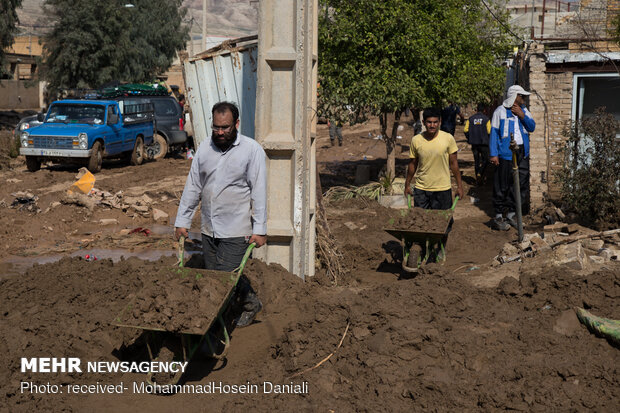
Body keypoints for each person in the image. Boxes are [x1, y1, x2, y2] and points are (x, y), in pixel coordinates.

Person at [174, 101, 267, 327]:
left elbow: (260, 192)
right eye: (216, 127)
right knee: (215, 275)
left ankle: (221, 322)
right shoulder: (205, 148)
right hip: (209, 227)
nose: (220, 132)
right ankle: (249, 302)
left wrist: (260, 230)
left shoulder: (251, 150)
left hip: (236, 228)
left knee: (223, 280)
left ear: (236, 124)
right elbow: (193, 186)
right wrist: (182, 221)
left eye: (225, 127)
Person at [489, 85, 536, 231]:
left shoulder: (525, 111)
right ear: (514, 96)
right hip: (505, 154)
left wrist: (522, 115)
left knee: (519, 183)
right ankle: (498, 215)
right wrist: (493, 153)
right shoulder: (500, 112)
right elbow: (494, 134)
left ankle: (512, 213)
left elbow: (532, 127)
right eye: (521, 96)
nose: (524, 99)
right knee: (502, 184)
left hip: (522, 153)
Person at [405, 107, 464, 209]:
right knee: (420, 222)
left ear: (440, 122)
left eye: (435, 122)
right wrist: (407, 184)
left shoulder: (448, 138)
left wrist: (459, 186)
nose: (432, 125)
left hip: (442, 189)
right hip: (421, 190)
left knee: (443, 223)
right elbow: (412, 164)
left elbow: (454, 164)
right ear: (423, 122)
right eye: (429, 122)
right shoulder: (416, 140)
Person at [464, 104, 491, 185]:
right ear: (484, 110)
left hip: (474, 143)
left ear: (476, 110)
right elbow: (489, 131)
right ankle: (481, 173)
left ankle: (477, 179)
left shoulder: (471, 119)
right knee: (485, 160)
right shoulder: (486, 119)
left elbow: (465, 130)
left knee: (476, 161)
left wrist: (470, 138)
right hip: (484, 144)